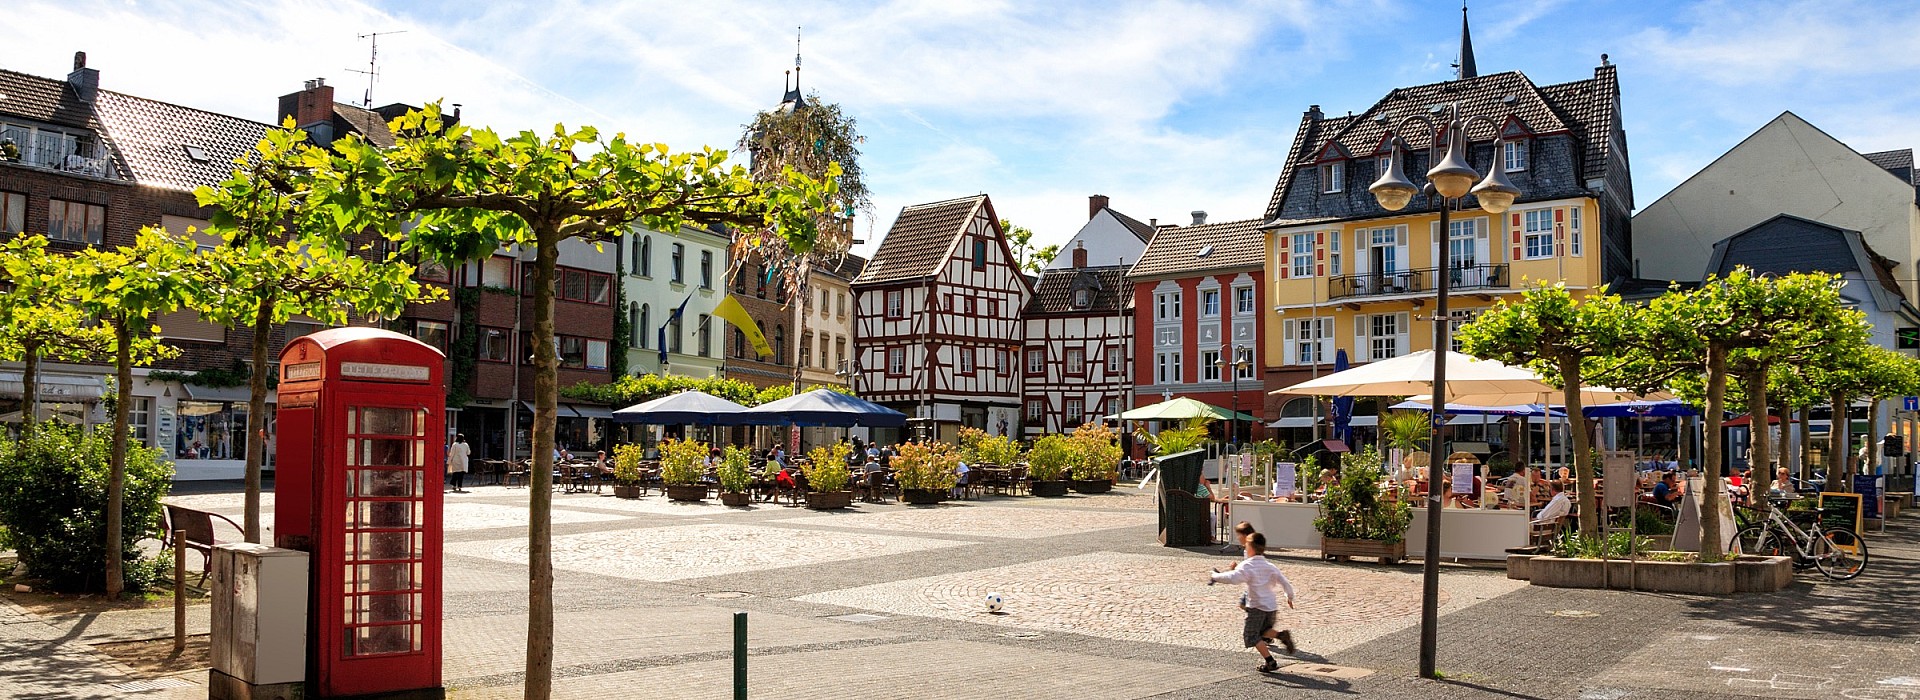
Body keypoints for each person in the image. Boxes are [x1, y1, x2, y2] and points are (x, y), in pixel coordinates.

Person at [1208, 532, 1297, 672]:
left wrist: (1215, 576)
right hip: (1271, 606)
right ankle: (1281, 635)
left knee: (1251, 635)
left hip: (1257, 607)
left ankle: (1270, 662)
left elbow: (1233, 578)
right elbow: (1285, 582)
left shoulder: (1248, 565)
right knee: (1263, 631)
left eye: (1246, 545)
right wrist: (1289, 597)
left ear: (1250, 548)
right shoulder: (1270, 566)